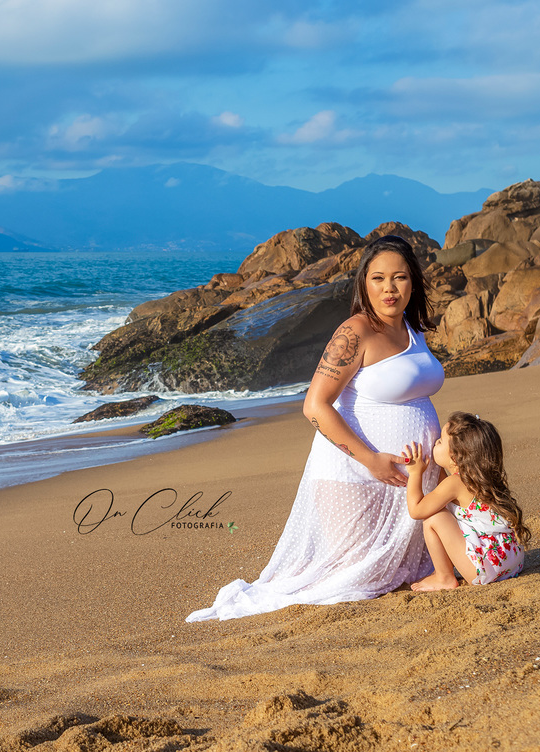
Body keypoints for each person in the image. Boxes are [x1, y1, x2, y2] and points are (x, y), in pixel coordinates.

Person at [187, 235, 445, 621]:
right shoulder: (355, 331)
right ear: (363, 283)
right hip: (357, 476)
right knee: (350, 582)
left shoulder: (413, 329)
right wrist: (371, 460)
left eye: (400, 278)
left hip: (408, 478)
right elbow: (314, 405)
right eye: (378, 278)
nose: (389, 289)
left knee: (393, 579)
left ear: (414, 282)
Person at [402, 412, 529, 591]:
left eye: (439, 441)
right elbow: (443, 493)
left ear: (455, 456)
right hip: (512, 560)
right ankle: (447, 573)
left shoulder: (455, 483)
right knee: (441, 514)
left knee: (433, 518)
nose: (434, 444)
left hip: (486, 569)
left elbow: (416, 510)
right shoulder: (480, 478)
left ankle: (444, 577)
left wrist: (415, 473)